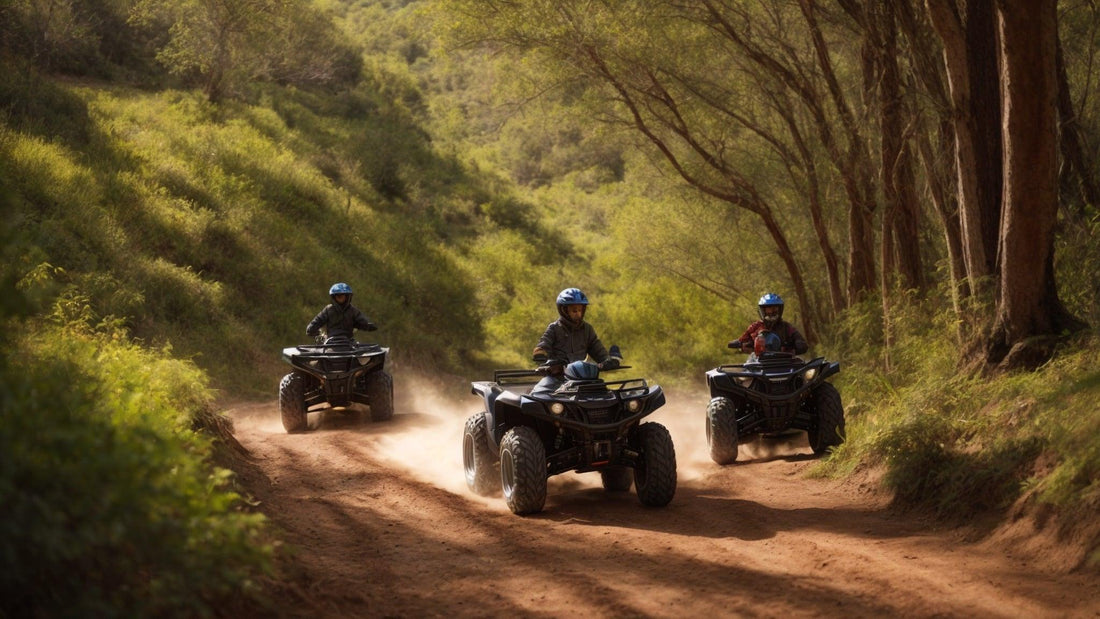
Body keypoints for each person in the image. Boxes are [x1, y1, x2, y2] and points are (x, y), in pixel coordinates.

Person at [531, 287, 620, 393]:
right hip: (557, 377)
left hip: (583, 378)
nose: (578, 313)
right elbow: (544, 343)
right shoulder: (554, 328)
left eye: (580, 310)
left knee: (605, 396)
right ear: (564, 311)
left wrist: (608, 361)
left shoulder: (587, 329)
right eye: (574, 310)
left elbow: (597, 349)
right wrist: (541, 354)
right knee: (538, 394)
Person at [730, 292, 808, 355]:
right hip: (758, 363)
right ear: (763, 310)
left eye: (774, 308)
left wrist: (798, 344)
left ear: (780, 309)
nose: (771, 312)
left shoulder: (787, 327)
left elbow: (800, 341)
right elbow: (743, 339)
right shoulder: (755, 327)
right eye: (768, 309)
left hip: (783, 362)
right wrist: (740, 344)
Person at [306, 282, 378, 342]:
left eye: (342, 295)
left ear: (347, 297)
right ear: (334, 297)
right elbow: (313, 326)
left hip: (348, 343)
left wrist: (368, 325)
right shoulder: (328, 309)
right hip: (331, 343)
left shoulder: (353, 310)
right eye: (338, 296)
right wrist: (320, 335)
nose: (340, 298)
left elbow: (364, 322)